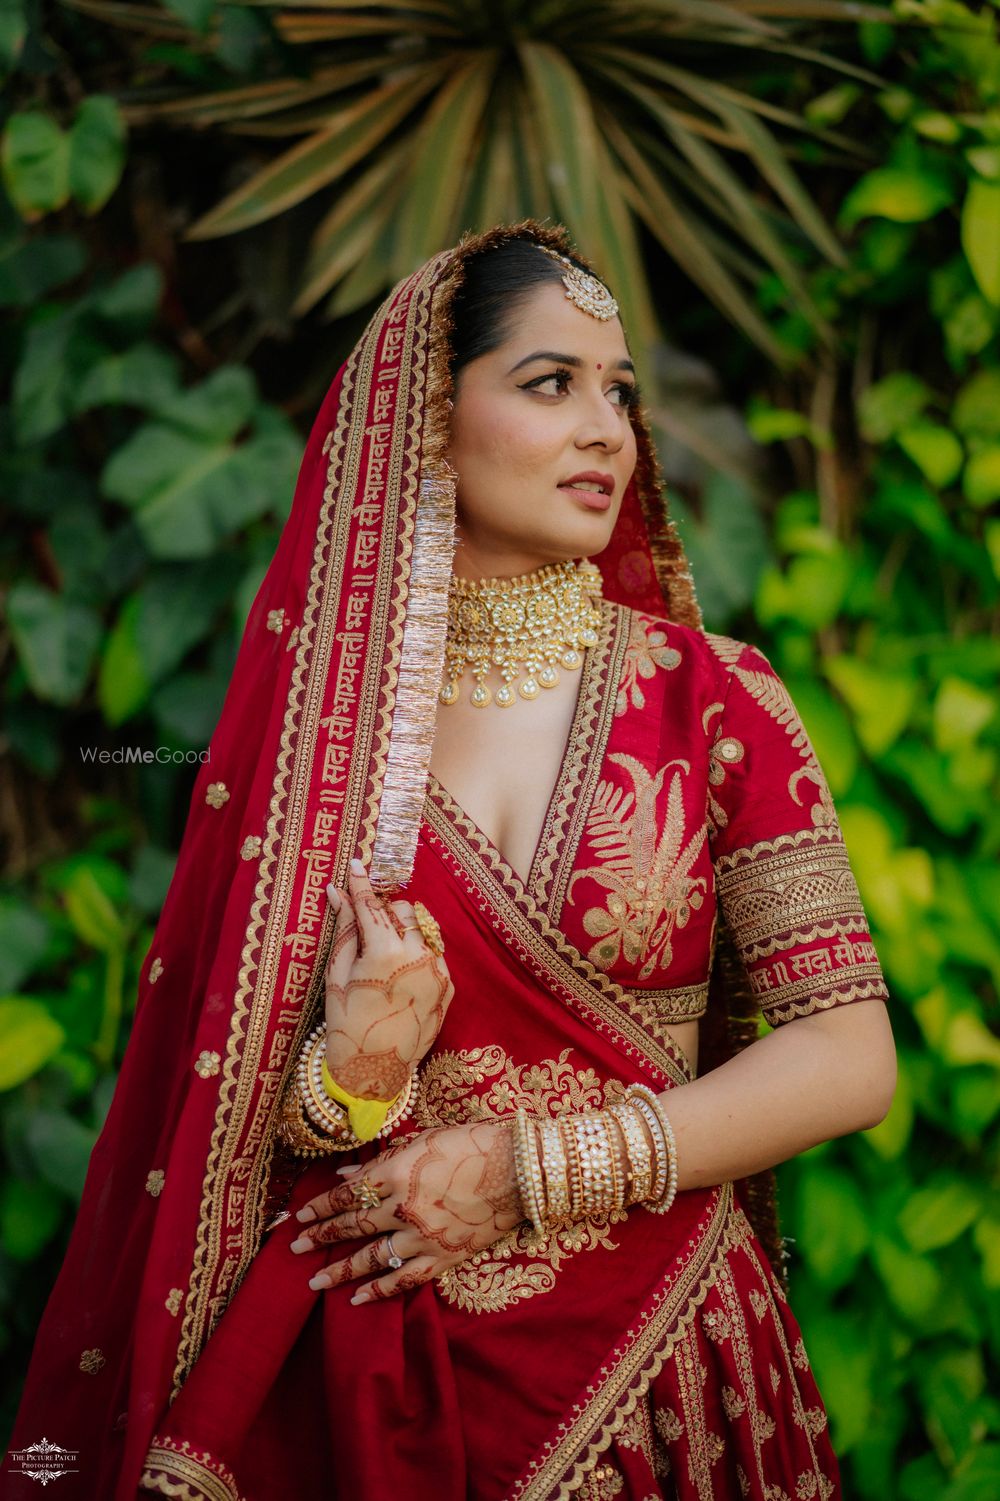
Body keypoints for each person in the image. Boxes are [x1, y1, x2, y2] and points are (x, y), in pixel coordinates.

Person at [1, 221, 896, 1501]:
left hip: (659, 1367)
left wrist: (529, 1172)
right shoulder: (319, 741)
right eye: (551, 383)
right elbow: (228, 1124)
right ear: (425, 416)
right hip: (375, 1384)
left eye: (618, 393)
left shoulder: (714, 698)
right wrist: (357, 1072)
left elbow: (847, 1056)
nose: (605, 429)